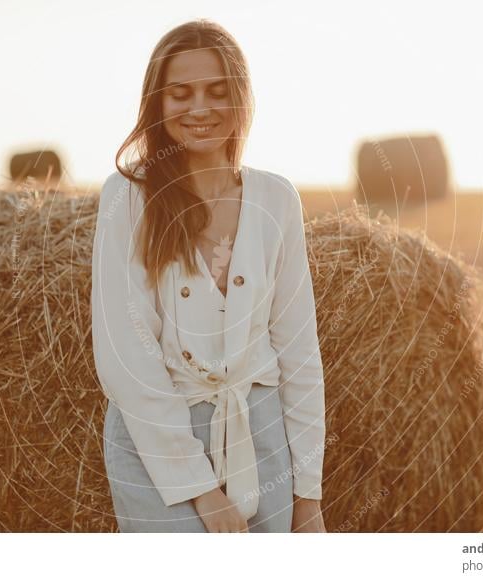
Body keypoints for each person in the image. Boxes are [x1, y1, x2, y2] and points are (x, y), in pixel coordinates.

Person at [91, 19, 326, 533]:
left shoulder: (277, 199)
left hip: (260, 434)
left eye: (218, 92)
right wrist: (200, 491)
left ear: (241, 100)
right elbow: (125, 358)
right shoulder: (128, 198)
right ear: (158, 104)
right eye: (181, 93)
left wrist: (308, 494)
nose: (200, 108)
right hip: (158, 444)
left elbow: (299, 353)